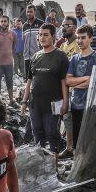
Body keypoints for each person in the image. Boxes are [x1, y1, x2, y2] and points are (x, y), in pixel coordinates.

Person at [20, 24, 69, 154]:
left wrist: (65, 102)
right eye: (40, 35)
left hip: (53, 104)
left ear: (53, 36)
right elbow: (29, 81)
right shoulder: (35, 56)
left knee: (52, 134)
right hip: (35, 104)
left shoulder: (61, 56)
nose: (42, 37)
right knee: (37, 134)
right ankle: (40, 165)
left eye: (46, 35)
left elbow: (64, 81)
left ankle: (55, 165)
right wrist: (24, 102)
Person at [65, 25, 96, 158]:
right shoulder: (74, 58)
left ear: (91, 39)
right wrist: (86, 78)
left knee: (90, 140)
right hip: (76, 104)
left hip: (91, 106)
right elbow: (67, 81)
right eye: (78, 38)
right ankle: (78, 165)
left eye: (83, 38)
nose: (80, 41)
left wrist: (80, 82)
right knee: (77, 140)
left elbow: (94, 82)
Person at [0, 16, 16, 103]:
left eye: (5, 21)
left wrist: (12, 58)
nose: (3, 23)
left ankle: (12, 100)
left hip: (9, 63)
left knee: (10, 81)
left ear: (8, 23)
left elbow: (13, 47)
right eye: (1, 21)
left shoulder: (13, 34)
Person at [22, 5, 44, 79]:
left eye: (31, 12)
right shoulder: (24, 25)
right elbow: (24, 40)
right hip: (27, 58)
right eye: (27, 12)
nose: (29, 13)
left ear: (35, 12)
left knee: (38, 78)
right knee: (28, 79)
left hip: (38, 56)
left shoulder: (41, 24)